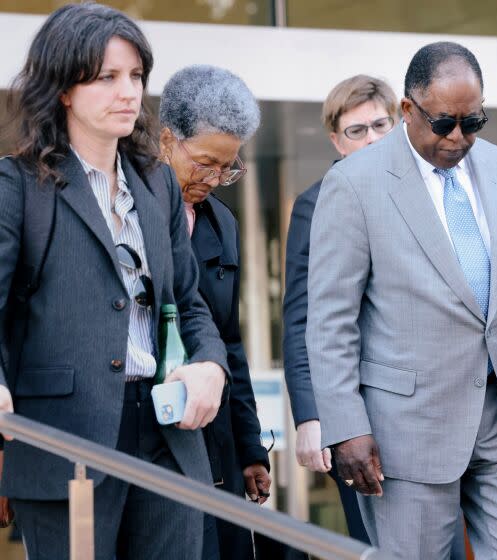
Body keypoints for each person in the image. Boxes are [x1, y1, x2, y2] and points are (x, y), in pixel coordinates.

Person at [306, 42, 497, 558]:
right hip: (407, 428)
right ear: (407, 110)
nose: (459, 138)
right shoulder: (354, 183)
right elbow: (331, 321)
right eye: (444, 123)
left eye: (473, 122)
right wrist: (346, 426)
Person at [0, 4, 230, 559]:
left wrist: (210, 365)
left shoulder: (158, 185)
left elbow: (189, 302)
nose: (128, 92)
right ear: (62, 89)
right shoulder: (17, 185)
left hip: (166, 434)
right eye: (107, 77)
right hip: (65, 440)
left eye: (135, 76)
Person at [158, 65, 270, 560]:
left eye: (227, 168)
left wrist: (249, 447)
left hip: (215, 435)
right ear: (166, 141)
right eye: (205, 163)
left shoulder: (221, 221)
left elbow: (230, 339)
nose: (214, 179)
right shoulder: (123, 209)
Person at [283, 74, 399, 545]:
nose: (371, 139)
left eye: (380, 125)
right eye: (357, 131)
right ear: (336, 139)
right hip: (356, 413)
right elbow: (300, 317)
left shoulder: (425, 191)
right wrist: (311, 417)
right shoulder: (316, 204)